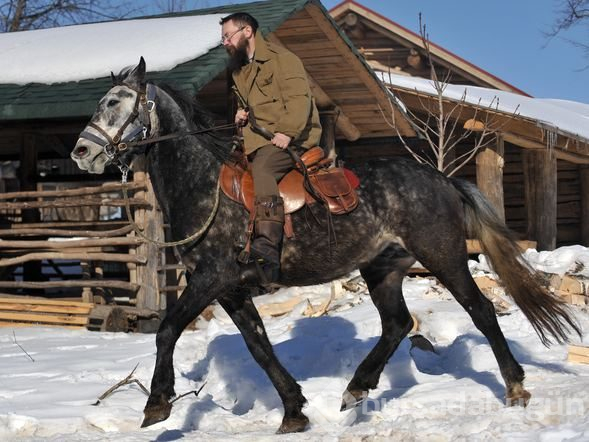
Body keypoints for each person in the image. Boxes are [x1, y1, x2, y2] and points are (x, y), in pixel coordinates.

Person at [220, 12, 322, 285]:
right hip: (258, 140)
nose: (225, 42)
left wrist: (287, 132)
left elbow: (299, 101)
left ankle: (267, 248)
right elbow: (251, 104)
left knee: (263, 167)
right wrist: (241, 114)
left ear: (248, 31)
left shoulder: (284, 60)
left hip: (294, 138)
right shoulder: (239, 69)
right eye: (223, 38)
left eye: (228, 36)